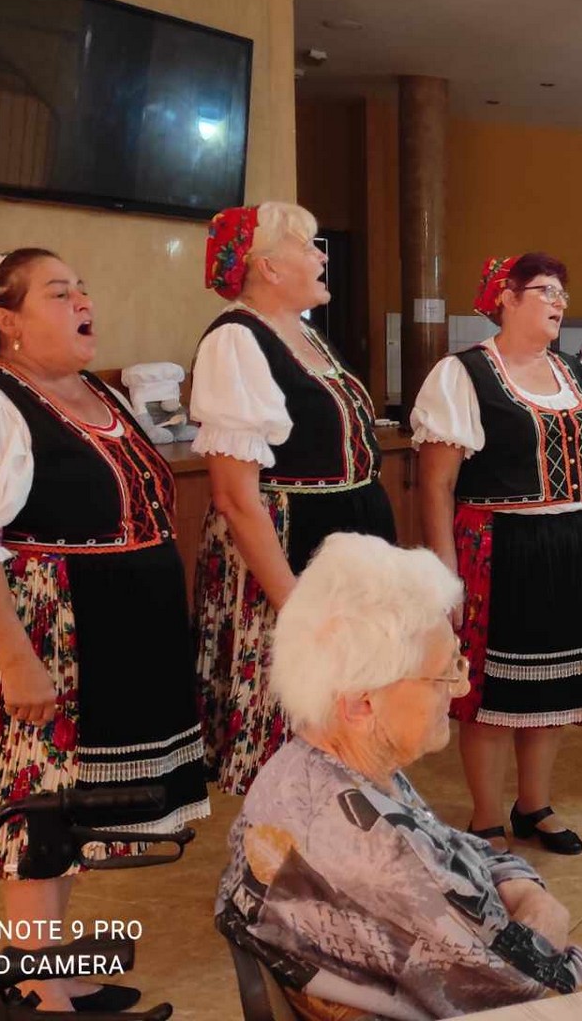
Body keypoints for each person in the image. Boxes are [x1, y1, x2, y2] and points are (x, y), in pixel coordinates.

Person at [0, 250, 209, 1012]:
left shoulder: (94, 390)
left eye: (83, 287)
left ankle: (50, 970)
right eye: (59, 291)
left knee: (73, 812)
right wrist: (17, 662)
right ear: (4, 320)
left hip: (110, 630)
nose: (82, 300)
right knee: (38, 811)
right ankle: (39, 990)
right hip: (44, 631)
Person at [216, 533, 582, 1019]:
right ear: (362, 703)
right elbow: (540, 987)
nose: (461, 688)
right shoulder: (379, 855)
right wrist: (546, 910)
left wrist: (523, 888)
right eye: (445, 673)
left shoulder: (317, 765)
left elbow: (455, 848)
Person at [414, 254, 582, 855]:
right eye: (545, 291)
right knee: (495, 698)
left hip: (577, 547)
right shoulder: (463, 375)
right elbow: (436, 483)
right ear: (505, 298)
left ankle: (534, 804)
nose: (559, 303)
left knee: (553, 691)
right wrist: (444, 576)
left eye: (563, 293)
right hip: (501, 549)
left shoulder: (579, 375)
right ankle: (486, 817)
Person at [191, 202, 396, 796]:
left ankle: (341, 834)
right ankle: (285, 844)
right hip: (289, 543)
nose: (321, 258)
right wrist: (295, 604)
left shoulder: (304, 333)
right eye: (307, 247)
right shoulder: (236, 339)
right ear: (269, 267)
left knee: (351, 710)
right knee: (298, 715)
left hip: (346, 538)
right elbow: (235, 496)